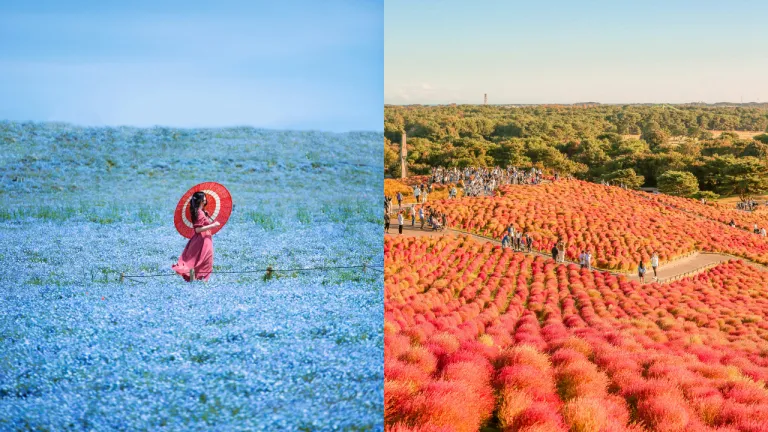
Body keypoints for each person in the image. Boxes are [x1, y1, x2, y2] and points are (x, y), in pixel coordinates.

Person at [172, 192, 219, 282]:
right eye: (204, 197)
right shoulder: (199, 212)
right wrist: (213, 225)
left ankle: (194, 284)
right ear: (201, 200)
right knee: (203, 262)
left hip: (203, 239)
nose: (205, 199)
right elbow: (197, 230)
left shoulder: (200, 212)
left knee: (198, 262)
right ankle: (198, 283)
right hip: (202, 240)